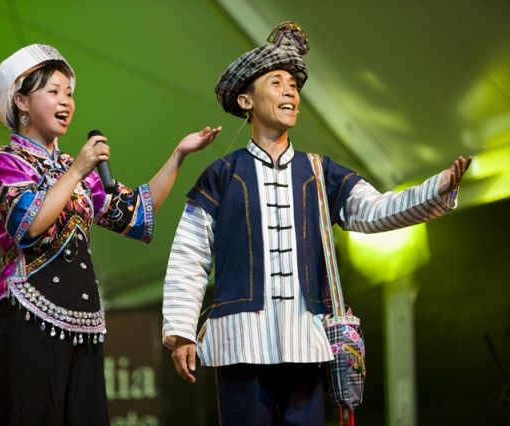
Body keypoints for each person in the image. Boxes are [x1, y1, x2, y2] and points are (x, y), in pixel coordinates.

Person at [161, 21, 470, 425]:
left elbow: (374, 209)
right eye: (276, 82)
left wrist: (438, 187)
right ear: (245, 100)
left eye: (294, 85)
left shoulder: (320, 173)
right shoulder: (222, 176)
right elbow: (190, 255)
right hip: (240, 346)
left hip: (306, 343)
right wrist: (181, 331)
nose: (290, 91)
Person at [0, 44, 220, 426]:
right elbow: (28, 225)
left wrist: (179, 155)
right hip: (29, 317)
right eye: (54, 92)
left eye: (69, 93)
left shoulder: (77, 168)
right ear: (22, 101)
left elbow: (137, 214)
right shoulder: (6, 162)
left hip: (84, 322)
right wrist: (77, 169)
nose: (66, 101)